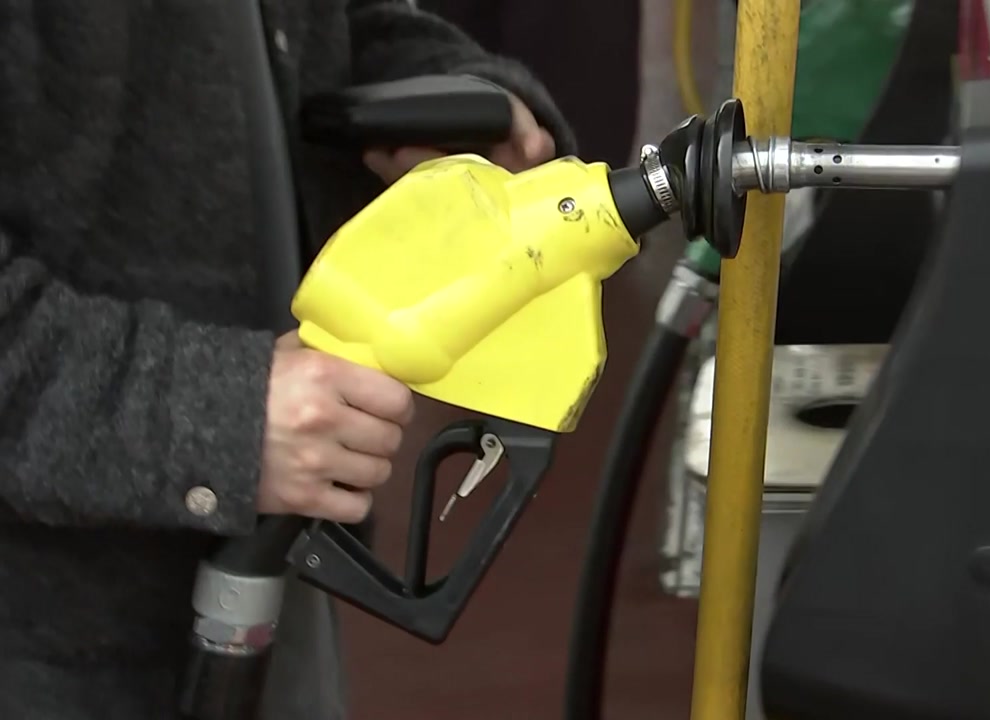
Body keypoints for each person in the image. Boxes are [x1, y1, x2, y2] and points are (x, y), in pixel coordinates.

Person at [0, 1, 574, 718]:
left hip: (271, 573)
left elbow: (330, 25)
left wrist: (454, 95)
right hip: (47, 633)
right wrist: (218, 420)